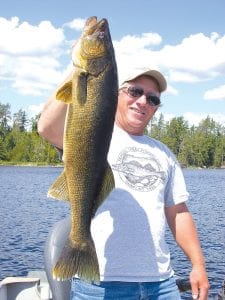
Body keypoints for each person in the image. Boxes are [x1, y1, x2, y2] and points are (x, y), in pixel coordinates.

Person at [38, 68, 210, 300]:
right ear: (116, 93)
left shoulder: (165, 153)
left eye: (153, 98)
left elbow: (178, 212)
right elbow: (47, 128)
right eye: (135, 91)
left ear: (156, 107)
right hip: (99, 286)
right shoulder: (93, 134)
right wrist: (81, 70)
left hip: (162, 285)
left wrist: (198, 265)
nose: (143, 102)